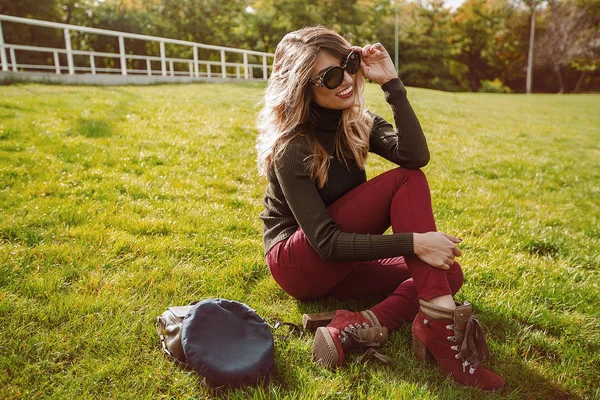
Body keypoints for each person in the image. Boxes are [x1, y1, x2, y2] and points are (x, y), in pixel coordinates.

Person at [256, 26, 504, 392]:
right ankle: (443, 335)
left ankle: (355, 323)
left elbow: (415, 155)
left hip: (341, 263)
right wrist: (413, 243)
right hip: (298, 263)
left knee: (446, 275)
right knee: (407, 183)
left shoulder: (358, 122)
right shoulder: (292, 147)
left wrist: (391, 83)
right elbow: (325, 243)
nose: (346, 80)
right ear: (301, 87)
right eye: (330, 76)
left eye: (349, 64)